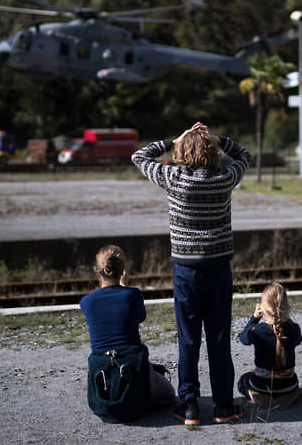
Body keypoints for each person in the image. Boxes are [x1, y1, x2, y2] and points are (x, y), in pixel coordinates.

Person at [131, 122, 251, 426]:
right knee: (219, 338)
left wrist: (175, 139)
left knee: (188, 340)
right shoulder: (224, 178)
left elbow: (139, 157)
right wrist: (219, 138)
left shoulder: (173, 178)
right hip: (218, 269)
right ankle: (224, 406)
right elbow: (245, 156)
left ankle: (189, 407)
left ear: (182, 152)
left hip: (186, 270)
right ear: (212, 151)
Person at [80, 245, 175, 422]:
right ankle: (138, 399)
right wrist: (125, 286)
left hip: (103, 373)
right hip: (132, 368)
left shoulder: (86, 302)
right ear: (123, 270)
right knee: (170, 394)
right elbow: (139, 317)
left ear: (96, 270)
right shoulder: (133, 295)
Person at [237, 283, 302, 408]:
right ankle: (285, 397)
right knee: (290, 381)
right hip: (287, 387)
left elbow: (243, 339)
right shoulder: (294, 329)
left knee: (244, 380)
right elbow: (298, 340)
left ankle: (259, 398)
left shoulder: (257, 330)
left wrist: (254, 318)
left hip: (262, 387)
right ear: (286, 305)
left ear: (263, 307)